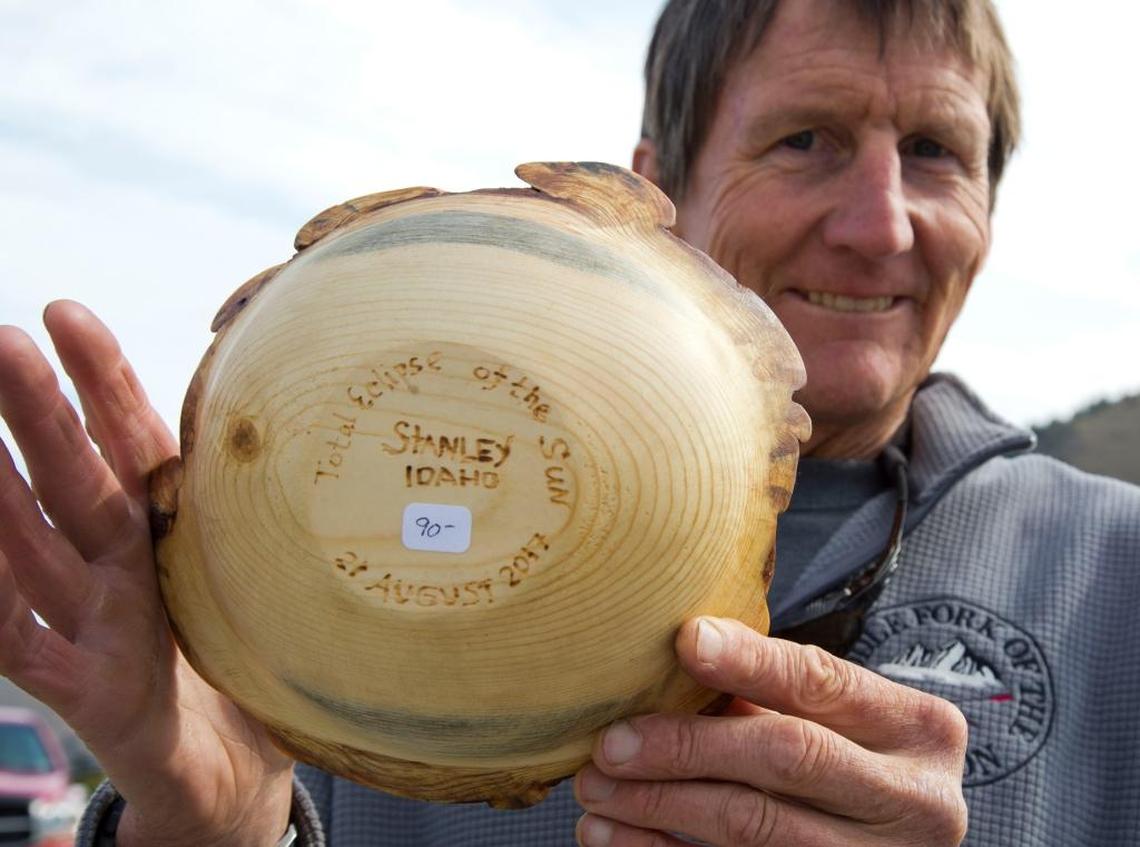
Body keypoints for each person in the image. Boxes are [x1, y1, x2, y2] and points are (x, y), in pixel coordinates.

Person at [1, 0, 1137, 844]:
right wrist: (223, 825)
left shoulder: (1116, 575)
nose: (880, 224)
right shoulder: (293, 584)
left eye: (936, 153)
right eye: (807, 140)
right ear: (648, 191)